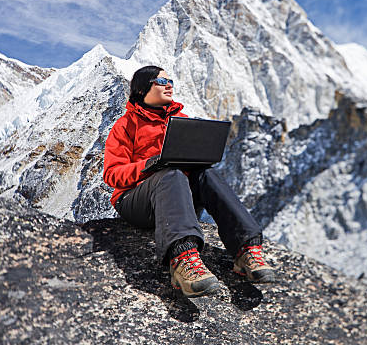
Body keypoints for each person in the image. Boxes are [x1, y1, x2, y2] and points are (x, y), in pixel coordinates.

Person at [103, 65, 275, 298]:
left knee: (207, 174)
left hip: (177, 200)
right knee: (170, 173)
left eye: (171, 81)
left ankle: (247, 248)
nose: (169, 85)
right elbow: (111, 174)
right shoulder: (125, 125)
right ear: (143, 88)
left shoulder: (181, 121)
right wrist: (148, 166)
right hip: (135, 202)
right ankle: (182, 260)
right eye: (162, 82)